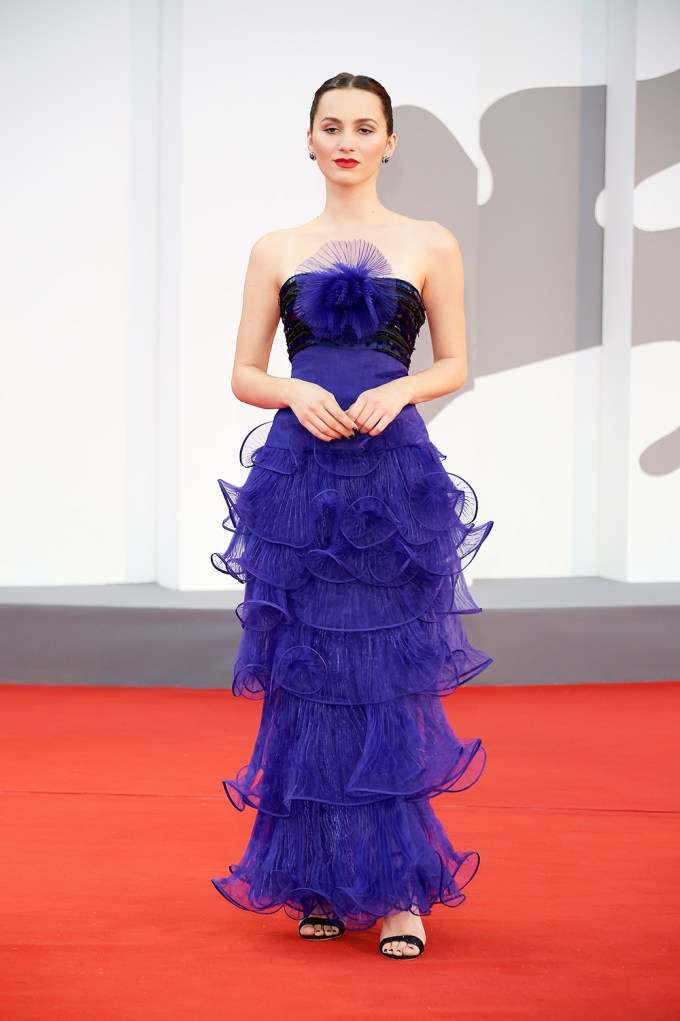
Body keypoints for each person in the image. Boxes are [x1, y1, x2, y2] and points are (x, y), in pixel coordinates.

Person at [210, 72, 493, 960]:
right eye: (331, 126)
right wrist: (292, 390)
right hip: (299, 481)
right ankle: (320, 881)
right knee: (309, 678)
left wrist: (403, 385)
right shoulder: (275, 247)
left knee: (385, 676)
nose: (346, 140)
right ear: (308, 140)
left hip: (391, 479)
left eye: (364, 127)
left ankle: (403, 892)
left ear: (389, 143)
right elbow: (244, 374)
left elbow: (454, 362)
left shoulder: (429, 243)